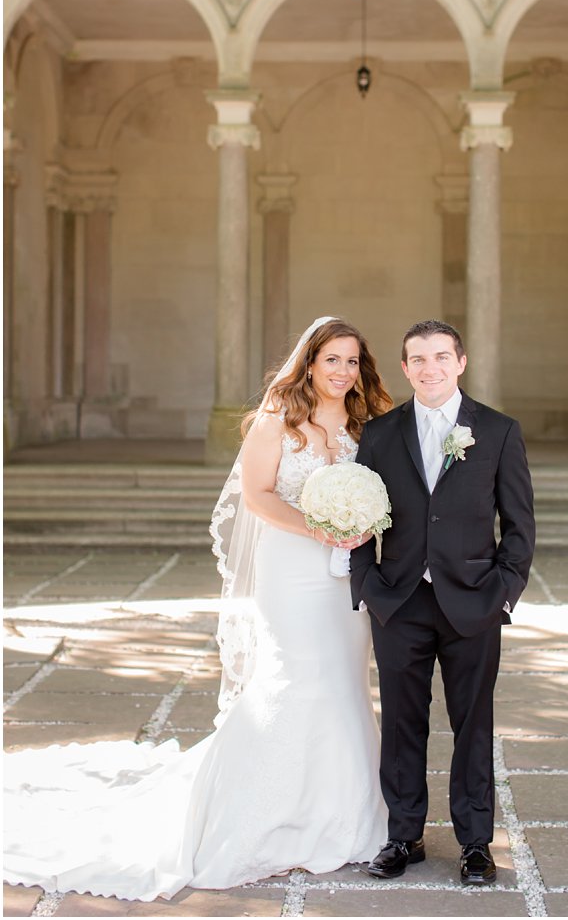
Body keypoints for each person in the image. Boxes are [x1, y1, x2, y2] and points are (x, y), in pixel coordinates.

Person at [4, 316, 392, 901]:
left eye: (352, 360)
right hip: (292, 570)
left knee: (344, 681)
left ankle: (342, 817)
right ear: (309, 362)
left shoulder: (367, 424)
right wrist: (319, 528)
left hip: (348, 578)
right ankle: (259, 818)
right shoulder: (277, 421)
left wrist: (357, 527)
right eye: (332, 359)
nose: (342, 371)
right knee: (295, 676)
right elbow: (258, 496)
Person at [350, 319, 535, 886]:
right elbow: (358, 517)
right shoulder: (380, 434)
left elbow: (519, 525)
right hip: (399, 602)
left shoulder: (498, 431)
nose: (429, 368)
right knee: (403, 723)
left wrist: (503, 594)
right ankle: (403, 836)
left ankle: (475, 844)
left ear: (460, 362)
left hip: (474, 603)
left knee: (473, 724)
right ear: (405, 369)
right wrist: (369, 585)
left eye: (440, 357)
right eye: (417, 359)